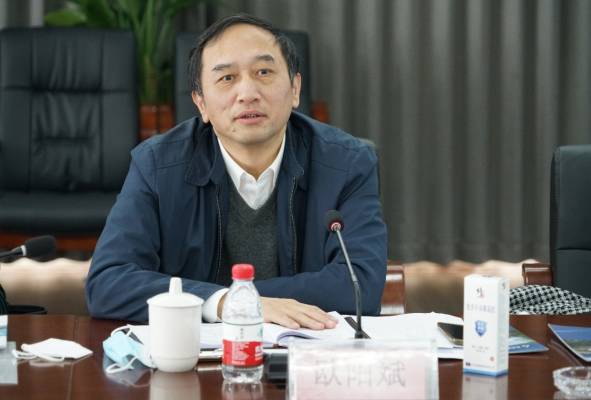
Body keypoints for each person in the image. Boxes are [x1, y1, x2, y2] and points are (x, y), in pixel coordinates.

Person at [86, 13, 387, 330]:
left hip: (305, 351)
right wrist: (225, 302)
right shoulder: (157, 165)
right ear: (201, 103)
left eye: (264, 72)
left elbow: (361, 285)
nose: (247, 93)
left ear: (295, 88)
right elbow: (108, 282)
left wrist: (242, 299)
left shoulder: (347, 164)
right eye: (227, 78)